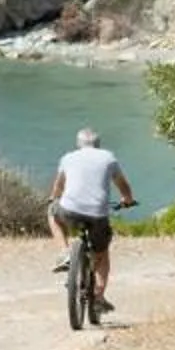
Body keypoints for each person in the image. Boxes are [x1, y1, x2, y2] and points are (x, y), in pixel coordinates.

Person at [48, 127, 137, 312]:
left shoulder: (68, 158)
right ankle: (99, 297)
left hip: (70, 210)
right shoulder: (108, 158)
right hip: (98, 214)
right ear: (98, 145)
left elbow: (58, 187)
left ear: (78, 144)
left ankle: (65, 252)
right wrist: (127, 200)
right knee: (102, 253)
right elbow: (123, 185)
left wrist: (53, 198)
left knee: (52, 213)